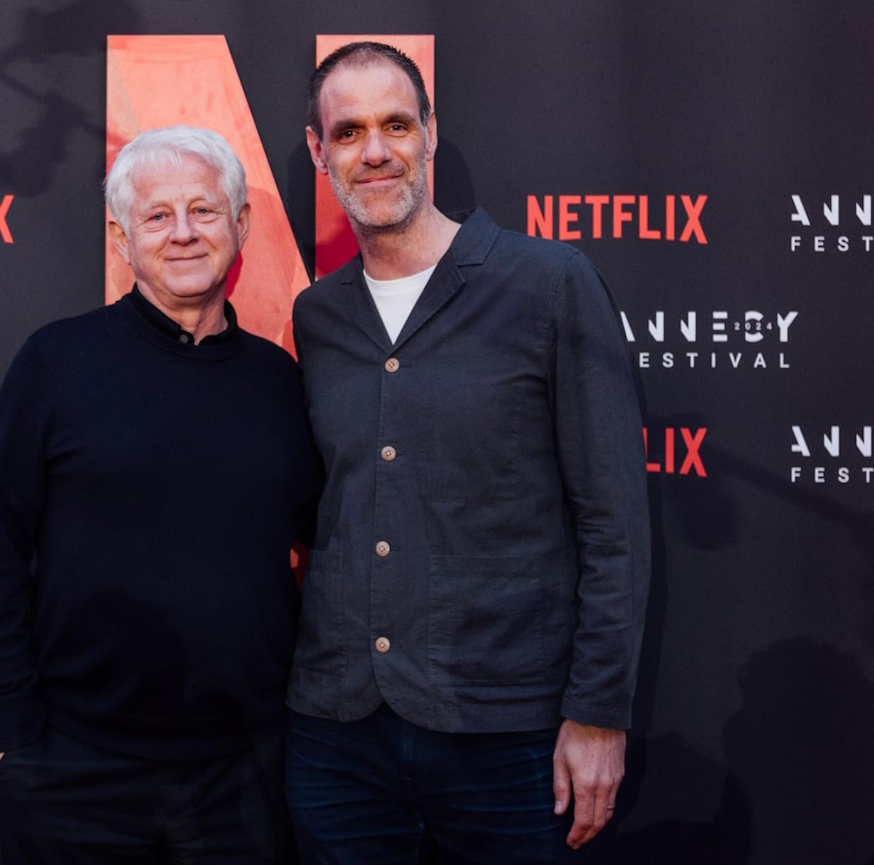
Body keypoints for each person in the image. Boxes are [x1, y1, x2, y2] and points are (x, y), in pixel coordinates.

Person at [285, 42, 651, 863]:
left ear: (431, 135)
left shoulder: (548, 283)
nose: (374, 151)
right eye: (348, 133)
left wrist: (600, 713)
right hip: (338, 740)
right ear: (318, 152)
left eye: (395, 125)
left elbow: (612, 518)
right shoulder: (317, 317)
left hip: (510, 739)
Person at [0, 125, 321, 865]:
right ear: (122, 237)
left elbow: (323, 554)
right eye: (158, 216)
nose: (184, 233)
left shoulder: (281, 384)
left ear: (241, 224)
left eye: (204, 210)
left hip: (246, 771)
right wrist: (15, 742)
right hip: (74, 767)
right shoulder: (55, 363)